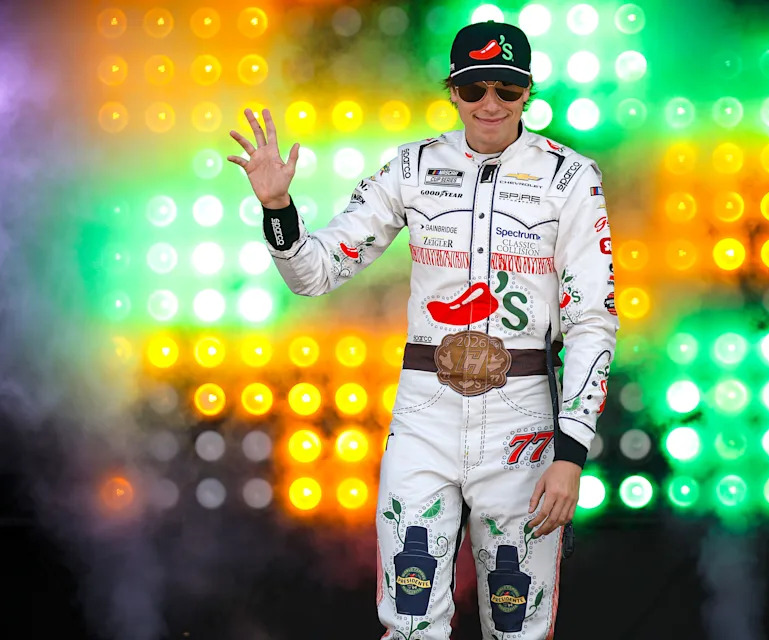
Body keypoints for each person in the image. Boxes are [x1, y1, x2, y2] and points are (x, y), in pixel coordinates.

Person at [228, 20, 618, 640]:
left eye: (507, 89)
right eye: (474, 88)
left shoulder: (569, 177)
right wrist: (278, 207)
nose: (490, 103)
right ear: (453, 91)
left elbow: (592, 321)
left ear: (528, 92)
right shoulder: (411, 168)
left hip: (522, 424)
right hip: (424, 415)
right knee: (410, 626)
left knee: (517, 627)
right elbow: (314, 272)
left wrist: (571, 454)